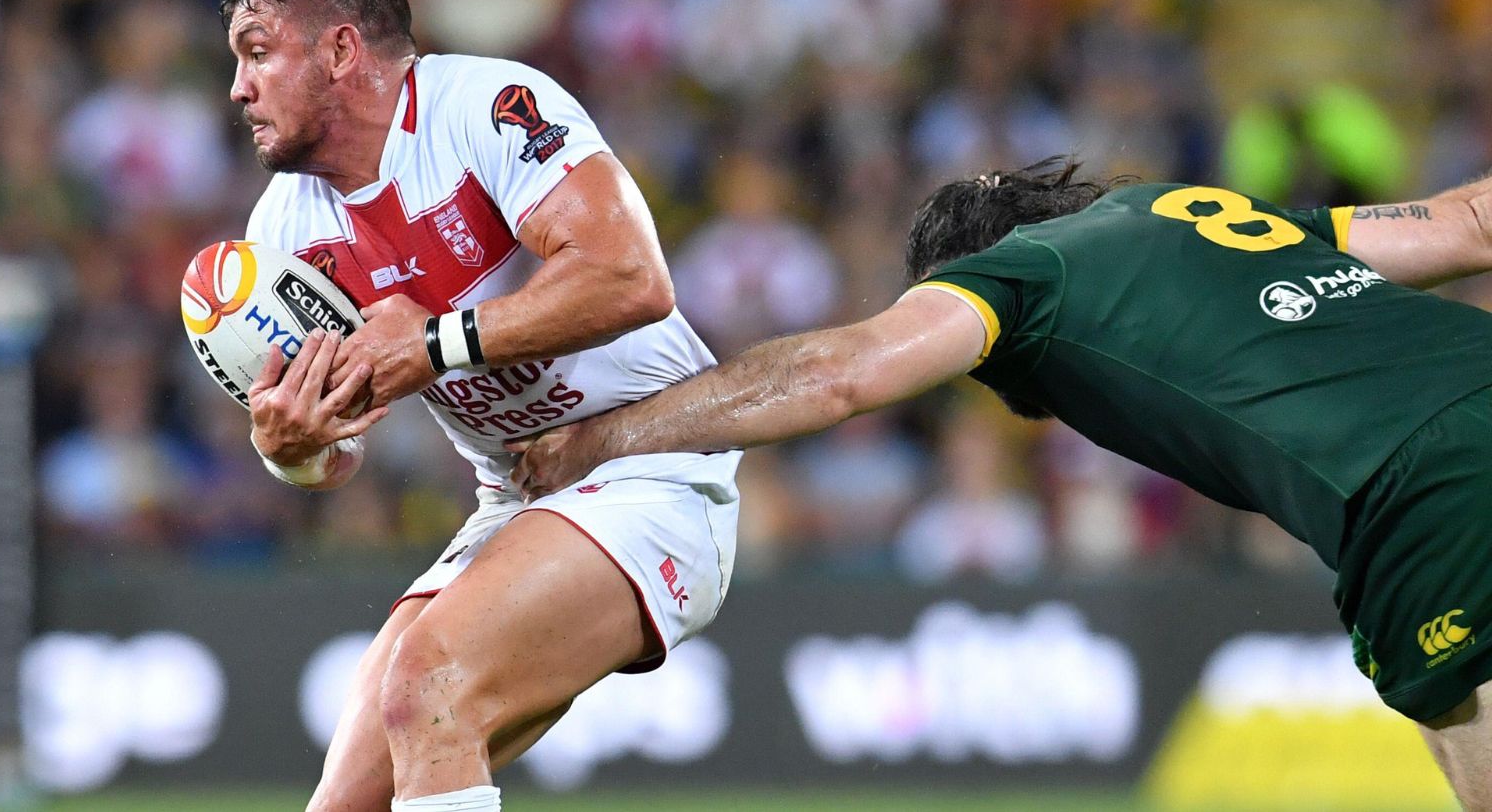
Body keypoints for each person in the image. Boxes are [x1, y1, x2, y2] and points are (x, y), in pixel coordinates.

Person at [510, 156, 1492, 806]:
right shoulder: (1206, 213)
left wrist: (604, 440)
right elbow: (1466, 224)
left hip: (1423, 495)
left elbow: (837, 373)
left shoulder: (1019, 273)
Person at [219, 0, 741, 812]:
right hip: (515, 499)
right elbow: (337, 455)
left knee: (430, 683)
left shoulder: (487, 106)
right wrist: (291, 448)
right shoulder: (284, 233)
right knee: (346, 803)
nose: (239, 88)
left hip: (654, 466)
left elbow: (631, 277)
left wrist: (433, 343)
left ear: (342, 51)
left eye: (258, 53)